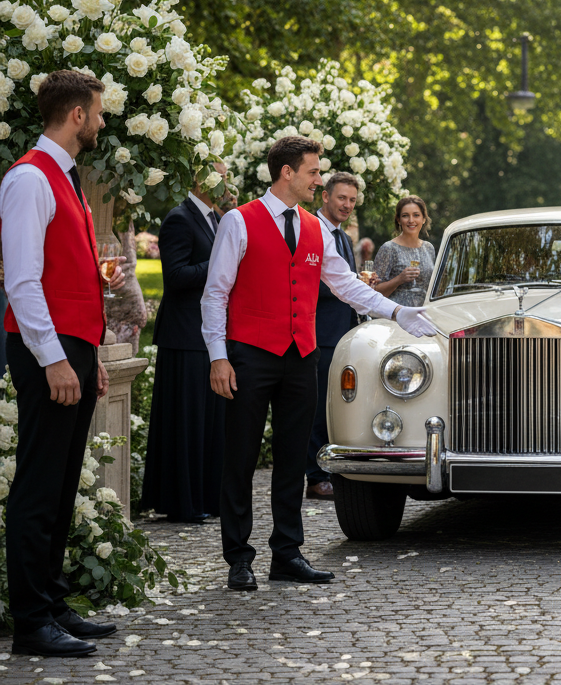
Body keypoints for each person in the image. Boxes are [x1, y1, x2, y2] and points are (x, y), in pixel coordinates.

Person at [203, 137, 439, 592]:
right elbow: (215, 293)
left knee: (294, 458)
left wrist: (397, 312)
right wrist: (218, 356)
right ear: (287, 173)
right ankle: (238, 558)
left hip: (301, 356)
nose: (318, 180)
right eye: (313, 172)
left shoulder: (315, 228)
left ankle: (287, 553)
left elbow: (347, 285)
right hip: (249, 354)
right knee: (240, 458)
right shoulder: (239, 221)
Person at [1, 70, 126, 657]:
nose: (101, 121)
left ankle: (50, 603)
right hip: (44, 349)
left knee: (60, 483)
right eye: (98, 112)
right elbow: (23, 283)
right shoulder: (30, 178)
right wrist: (53, 359)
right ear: (77, 114)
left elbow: (62, 274)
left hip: (71, 346)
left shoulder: (66, 177)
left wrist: (89, 354)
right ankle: (31, 623)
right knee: (38, 484)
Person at [141, 171, 227, 523]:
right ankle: (182, 502)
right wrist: (219, 263)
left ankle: (207, 498)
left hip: (209, 333)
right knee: (186, 422)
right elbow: (175, 277)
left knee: (208, 423)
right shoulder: (179, 218)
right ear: (199, 180)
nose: (225, 183)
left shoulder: (216, 219)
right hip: (184, 336)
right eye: (219, 176)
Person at [305, 172, 376, 501]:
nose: (347, 205)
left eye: (352, 200)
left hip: (344, 332)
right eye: (341, 198)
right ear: (325, 197)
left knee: (337, 405)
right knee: (318, 408)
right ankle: (316, 477)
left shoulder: (343, 237)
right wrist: (351, 286)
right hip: (320, 332)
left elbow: (344, 280)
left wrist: (360, 285)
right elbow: (310, 283)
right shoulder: (311, 231)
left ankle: (334, 469)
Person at [373, 195, 436, 306]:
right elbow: (373, 292)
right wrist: (399, 279)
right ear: (398, 220)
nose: (411, 220)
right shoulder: (389, 248)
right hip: (396, 314)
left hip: (424, 313)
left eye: (416, 215)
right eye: (405, 216)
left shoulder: (429, 248)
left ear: (423, 219)